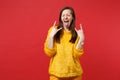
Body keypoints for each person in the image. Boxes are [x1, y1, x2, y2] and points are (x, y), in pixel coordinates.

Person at [44, 6, 85, 80]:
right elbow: (49, 53)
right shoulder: (53, 31)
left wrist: (81, 39)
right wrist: (51, 37)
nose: (65, 17)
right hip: (56, 75)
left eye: (68, 15)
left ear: (72, 18)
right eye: (63, 15)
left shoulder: (77, 33)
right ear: (61, 18)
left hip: (75, 75)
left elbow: (76, 54)